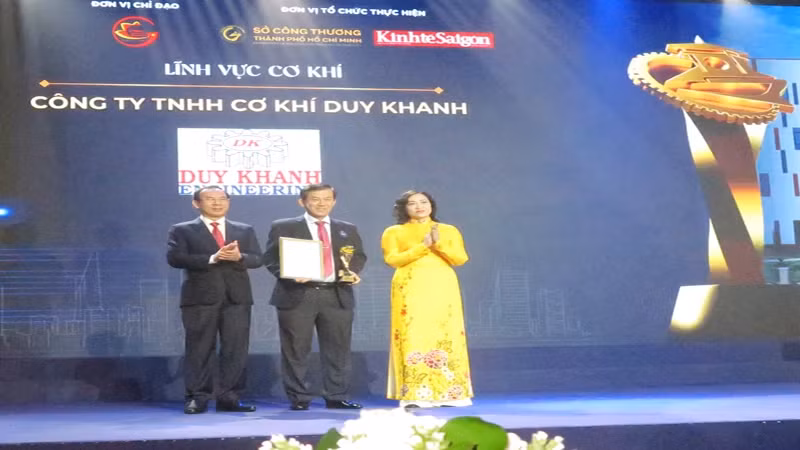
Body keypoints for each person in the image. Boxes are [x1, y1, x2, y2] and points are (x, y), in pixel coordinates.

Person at [263, 184, 366, 411]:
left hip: (336, 294)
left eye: (327, 198)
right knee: (296, 350)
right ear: (302, 202)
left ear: (334, 201)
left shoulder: (347, 228)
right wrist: (289, 274)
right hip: (297, 294)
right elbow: (270, 258)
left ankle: (336, 396)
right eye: (315, 199)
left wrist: (352, 272)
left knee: (338, 348)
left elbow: (358, 256)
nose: (322, 203)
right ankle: (299, 397)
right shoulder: (284, 226)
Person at [167, 186, 262, 414]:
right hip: (200, 298)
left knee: (235, 349)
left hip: (237, 298)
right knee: (199, 349)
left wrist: (240, 257)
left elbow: (258, 259)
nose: (217, 203)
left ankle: (229, 398)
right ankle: (197, 397)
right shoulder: (182, 230)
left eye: (222, 199)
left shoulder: (244, 229)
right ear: (196, 203)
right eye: (210, 199)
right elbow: (175, 258)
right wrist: (212, 258)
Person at [381, 190, 473, 408]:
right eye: (412, 203)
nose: (419, 206)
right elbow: (392, 259)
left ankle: (453, 392)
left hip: (442, 286)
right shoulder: (394, 231)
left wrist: (438, 244)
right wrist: (423, 246)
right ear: (404, 208)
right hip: (410, 287)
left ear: (431, 205)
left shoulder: (448, 230)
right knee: (413, 333)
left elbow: (460, 258)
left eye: (424, 202)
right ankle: (415, 392)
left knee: (447, 332)